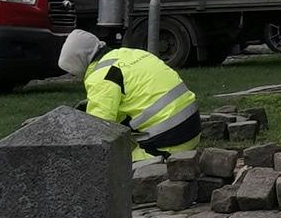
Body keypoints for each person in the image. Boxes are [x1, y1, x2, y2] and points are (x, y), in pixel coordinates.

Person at [58, 28, 202, 154]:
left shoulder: (100, 77)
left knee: (113, 168)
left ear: (78, 61)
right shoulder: (130, 54)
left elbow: (98, 130)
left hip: (168, 144)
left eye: (72, 70)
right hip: (192, 130)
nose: (74, 76)